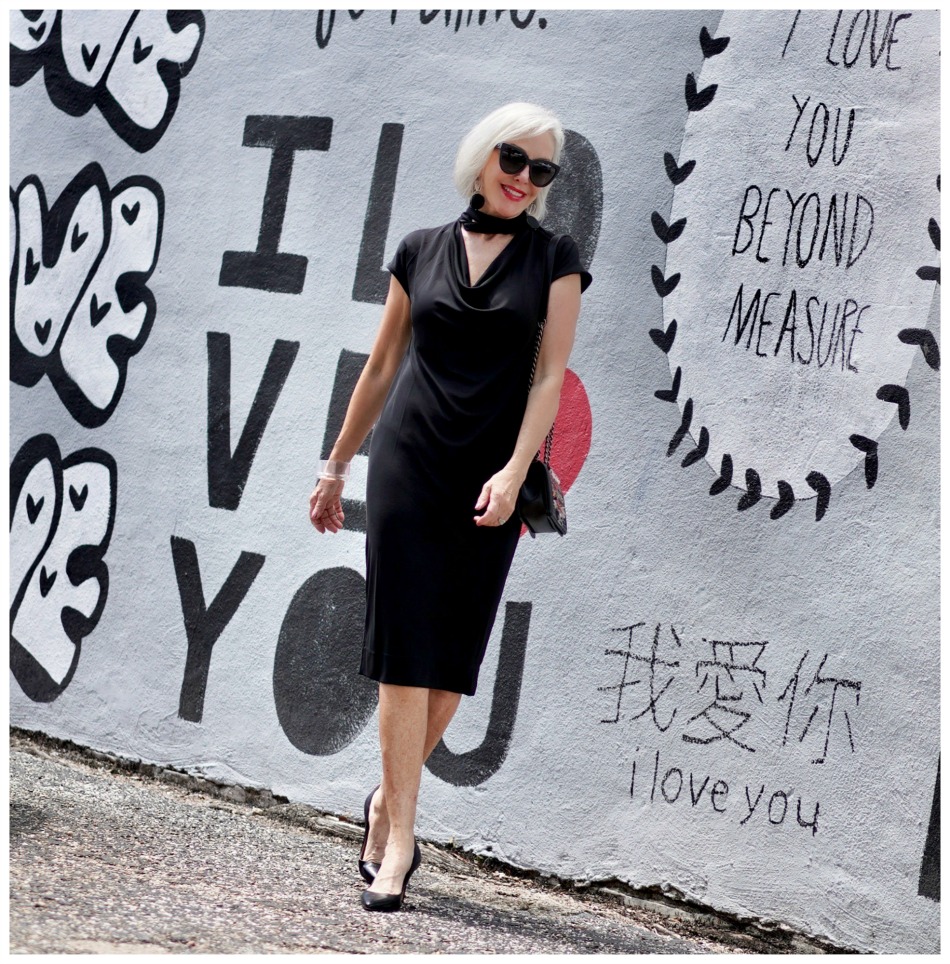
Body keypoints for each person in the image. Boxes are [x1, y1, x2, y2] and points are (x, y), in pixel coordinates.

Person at [308, 102, 591, 911]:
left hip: (488, 474)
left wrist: (514, 470)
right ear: (482, 153)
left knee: (454, 656)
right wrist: (333, 466)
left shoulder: (555, 258)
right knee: (403, 649)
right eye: (514, 157)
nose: (523, 178)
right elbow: (380, 364)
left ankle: (381, 802)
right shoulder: (420, 248)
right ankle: (400, 840)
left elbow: (549, 376)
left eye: (542, 171)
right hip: (408, 464)